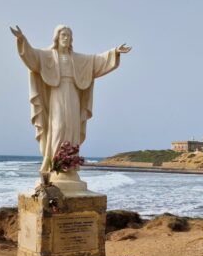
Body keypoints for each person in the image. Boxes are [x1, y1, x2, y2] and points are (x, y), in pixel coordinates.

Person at [10, 24, 131, 175]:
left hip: (73, 93)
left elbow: (96, 61)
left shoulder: (77, 58)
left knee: (72, 126)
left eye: (69, 36)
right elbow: (31, 56)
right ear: (57, 37)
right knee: (59, 126)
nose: (66, 38)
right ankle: (55, 164)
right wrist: (21, 39)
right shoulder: (46, 55)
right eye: (63, 35)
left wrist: (114, 52)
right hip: (57, 93)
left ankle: (70, 165)